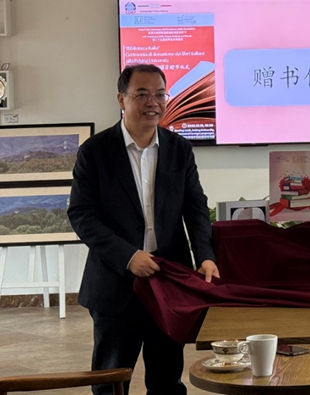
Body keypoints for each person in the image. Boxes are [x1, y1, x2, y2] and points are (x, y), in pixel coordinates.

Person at [68, 64, 219, 395]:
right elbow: (81, 215)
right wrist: (127, 255)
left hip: (168, 282)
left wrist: (205, 256)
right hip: (115, 284)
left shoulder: (179, 149)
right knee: (110, 384)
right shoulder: (95, 151)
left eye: (160, 94)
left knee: (167, 382)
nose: (153, 102)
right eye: (142, 94)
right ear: (121, 99)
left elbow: (195, 208)